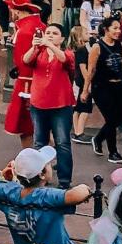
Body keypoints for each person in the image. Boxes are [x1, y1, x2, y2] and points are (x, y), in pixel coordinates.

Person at [0, 146, 91, 244]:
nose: (51, 166)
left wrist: (3, 178)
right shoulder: (47, 196)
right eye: (48, 164)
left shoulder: (10, 191)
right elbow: (77, 194)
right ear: (42, 174)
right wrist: (85, 187)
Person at [23, 22, 75, 188]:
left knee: (63, 143)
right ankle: (40, 177)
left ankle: (65, 180)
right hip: (39, 104)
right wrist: (34, 46)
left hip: (61, 105)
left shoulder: (66, 53)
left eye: (54, 33)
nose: (50, 35)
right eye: (48, 32)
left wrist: (50, 45)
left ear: (62, 38)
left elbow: (64, 59)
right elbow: (25, 60)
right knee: (39, 142)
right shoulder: (40, 52)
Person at [82, 17, 122, 164]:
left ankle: (98, 138)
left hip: (120, 86)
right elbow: (91, 70)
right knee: (111, 119)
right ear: (106, 29)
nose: (118, 31)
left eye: (119, 28)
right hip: (102, 87)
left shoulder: (120, 44)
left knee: (120, 118)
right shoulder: (97, 47)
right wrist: (85, 90)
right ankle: (113, 152)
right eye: (115, 28)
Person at [3, 0, 43, 148]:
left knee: (26, 126)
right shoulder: (40, 26)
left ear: (17, 11)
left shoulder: (24, 31)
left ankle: (31, 159)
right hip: (40, 80)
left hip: (27, 82)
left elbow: (22, 61)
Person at [69, 24, 93, 143]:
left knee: (77, 107)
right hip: (83, 82)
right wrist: (88, 84)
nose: (89, 35)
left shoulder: (76, 50)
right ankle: (80, 132)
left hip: (78, 81)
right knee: (85, 108)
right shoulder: (82, 50)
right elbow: (84, 69)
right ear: (80, 36)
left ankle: (76, 130)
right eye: (86, 33)